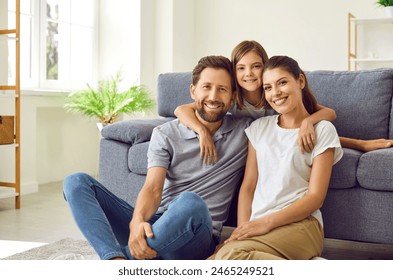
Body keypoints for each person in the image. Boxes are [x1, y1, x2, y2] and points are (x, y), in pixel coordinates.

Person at [63, 55, 251, 260]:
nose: (213, 96)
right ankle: (115, 260)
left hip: (197, 235)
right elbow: (153, 188)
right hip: (157, 226)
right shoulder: (165, 133)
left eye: (222, 89)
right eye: (206, 87)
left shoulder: (246, 131)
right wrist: (137, 221)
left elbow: (276, 112)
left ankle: (129, 260)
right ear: (192, 90)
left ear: (233, 96)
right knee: (76, 182)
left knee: (191, 202)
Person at [210, 55, 343, 260]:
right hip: (259, 225)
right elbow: (249, 187)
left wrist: (266, 223)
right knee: (212, 263)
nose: (275, 93)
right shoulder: (258, 129)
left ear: (300, 81)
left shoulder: (323, 130)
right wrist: (243, 229)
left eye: (282, 82)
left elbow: (316, 197)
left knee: (230, 258)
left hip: (302, 225)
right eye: (268, 87)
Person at [174, 40, 393, 164]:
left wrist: (308, 122)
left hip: (283, 137)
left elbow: (329, 113)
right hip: (251, 144)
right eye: (241, 68)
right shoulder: (231, 98)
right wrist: (202, 132)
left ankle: (361, 143)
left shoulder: (275, 95)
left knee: (307, 130)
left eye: (256, 66)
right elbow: (181, 109)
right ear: (234, 71)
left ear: (266, 67)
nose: (249, 74)